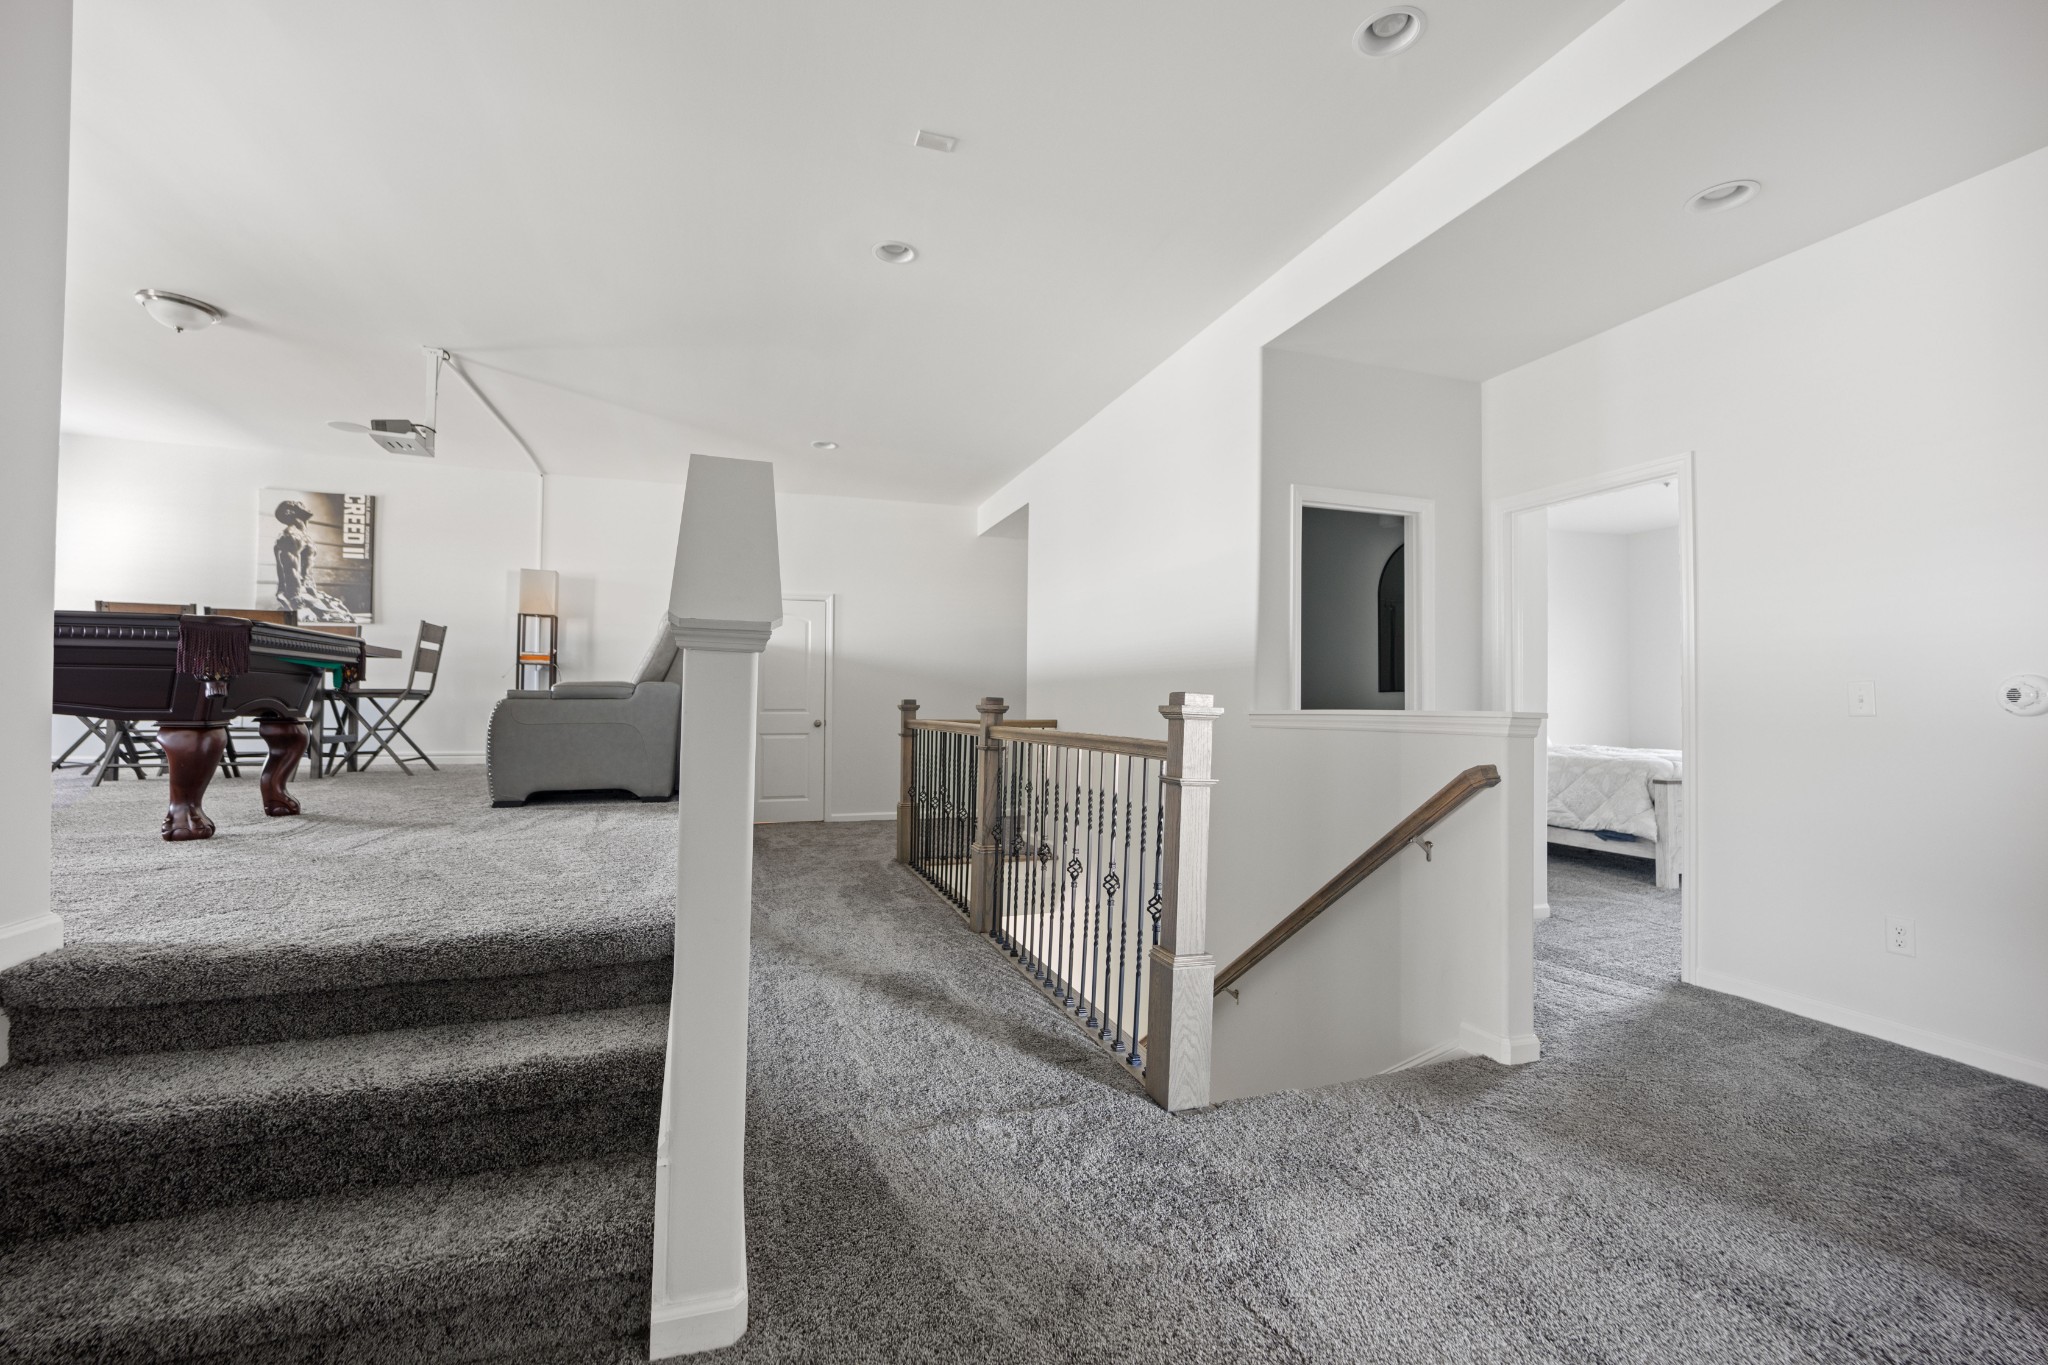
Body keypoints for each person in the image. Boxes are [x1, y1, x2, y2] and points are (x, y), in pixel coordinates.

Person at [272, 500, 357, 622]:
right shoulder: (290, 535)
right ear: (289, 511)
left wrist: (312, 592)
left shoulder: (303, 535)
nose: (302, 504)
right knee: (337, 620)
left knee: (346, 616)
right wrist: (297, 600)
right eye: (297, 504)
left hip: (309, 591)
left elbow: (306, 570)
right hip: (296, 593)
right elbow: (290, 569)